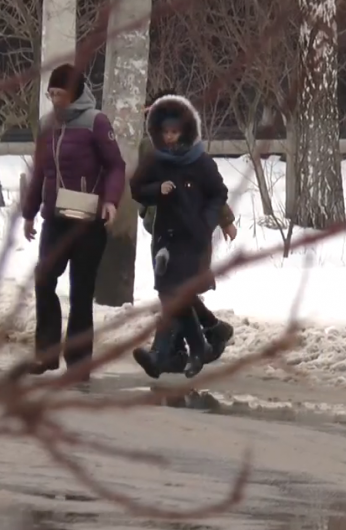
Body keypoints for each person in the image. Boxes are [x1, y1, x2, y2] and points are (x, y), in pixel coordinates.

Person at [21, 63, 125, 378]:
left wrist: (110, 200)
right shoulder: (46, 125)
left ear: (75, 92)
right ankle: (46, 353)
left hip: (87, 220)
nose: (55, 99)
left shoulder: (96, 122)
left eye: (60, 93)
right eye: (51, 93)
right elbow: (40, 171)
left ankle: (79, 362)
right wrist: (29, 212)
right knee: (44, 279)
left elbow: (115, 166)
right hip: (55, 218)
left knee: (81, 290)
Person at [132, 90, 236, 373]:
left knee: (175, 293)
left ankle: (167, 352)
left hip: (192, 232)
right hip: (162, 229)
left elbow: (212, 190)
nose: (168, 134)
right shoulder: (149, 148)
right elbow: (140, 185)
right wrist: (152, 198)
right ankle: (201, 337)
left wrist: (221, 220)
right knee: (172, 293)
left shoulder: (195, 154)